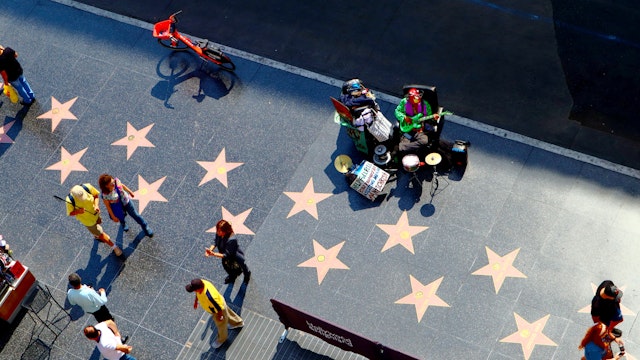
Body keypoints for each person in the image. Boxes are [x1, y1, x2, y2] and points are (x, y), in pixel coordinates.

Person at [66, 184, 122, 256]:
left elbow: (95, 195)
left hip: (96, 213)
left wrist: (96, 205)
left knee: (99, 223)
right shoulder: (69, 201)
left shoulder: (87, 187)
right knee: (101, 234)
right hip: (88, 221)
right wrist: (78, 211)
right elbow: (70, 213)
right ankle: (114, 247)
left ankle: (96, 235)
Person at [185, 278, 243, 349]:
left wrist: (220, 316)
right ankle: (238, 323)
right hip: (219, 302)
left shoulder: (210, 297)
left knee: (221, 325)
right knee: (228, 313)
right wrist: (196, 301)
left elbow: (218, 307)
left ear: (199, 288)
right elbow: (197, 293)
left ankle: (222, 339)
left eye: (194, 290)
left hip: (218, 309)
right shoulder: (201, 282)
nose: (195, 291)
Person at [394, 88, 439, 156]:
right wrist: (404, 118)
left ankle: (403, 147)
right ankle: (405, 148)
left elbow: (429, 117)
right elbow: (397, 112)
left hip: (419, 130)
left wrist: (433, 118)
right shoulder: (404, 102)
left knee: (424, 141)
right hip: (407, 129)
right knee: (405, 149)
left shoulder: (425, 105)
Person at [205, 220, 251, 284]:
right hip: (223, 255)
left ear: (225, 231)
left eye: (219, 231)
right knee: (227, 267)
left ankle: (247, 275)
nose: (217, 233)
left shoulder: (232, 239)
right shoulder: (218, 233)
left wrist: (213, 254)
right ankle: (232, 276)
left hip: (234, 255)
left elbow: (227, 255)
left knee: (242, 265)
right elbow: (215, 241)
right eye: (217, 230)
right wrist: (210, 250)